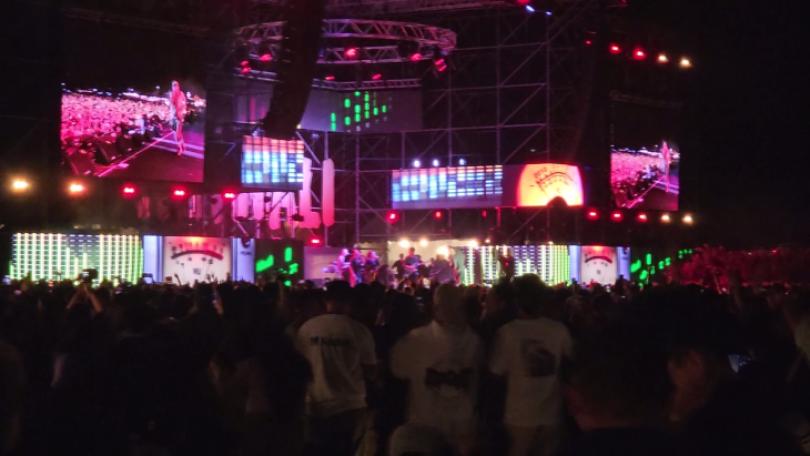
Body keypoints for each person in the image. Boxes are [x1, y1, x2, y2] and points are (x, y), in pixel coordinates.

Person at [390, 284, 483, 454]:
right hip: (459, 424)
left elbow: (398, 370)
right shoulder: (475, 341)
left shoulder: (416, 339)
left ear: (435, 308)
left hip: (428, 423)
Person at [490, 275, 572, 456]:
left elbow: (496, 371)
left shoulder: (508, 333)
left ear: (517, 301)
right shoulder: (559, 330)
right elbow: (571, 363)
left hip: (519, 415)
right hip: (551, 413)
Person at [296, 281, 377, 456]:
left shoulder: (307, 328)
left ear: (325, 300)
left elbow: (299, 365)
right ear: (350, 301)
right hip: (349, 405)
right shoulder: (358, 330)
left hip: (315, 404)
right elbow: (370, 371)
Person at [169, 80, 187, 156]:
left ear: (178, 86)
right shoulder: (172, 94)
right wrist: (170, 116)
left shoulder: (181, 94)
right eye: (173, 85)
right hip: (174, 116)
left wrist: (183, 114)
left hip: (179, 116)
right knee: (176, 132)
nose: (174, 87)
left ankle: (180, 149)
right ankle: (183, 146)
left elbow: (184, 104)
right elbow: (171, 106)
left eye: (175, 85)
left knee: (177, 134)